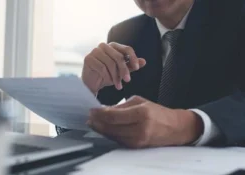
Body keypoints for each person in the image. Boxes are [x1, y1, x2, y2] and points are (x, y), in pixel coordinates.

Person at [58, 0, 245, 148]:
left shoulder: (238, 15)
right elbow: (78, 129)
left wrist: (186, 125)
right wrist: (87, 89)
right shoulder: (125, 33)